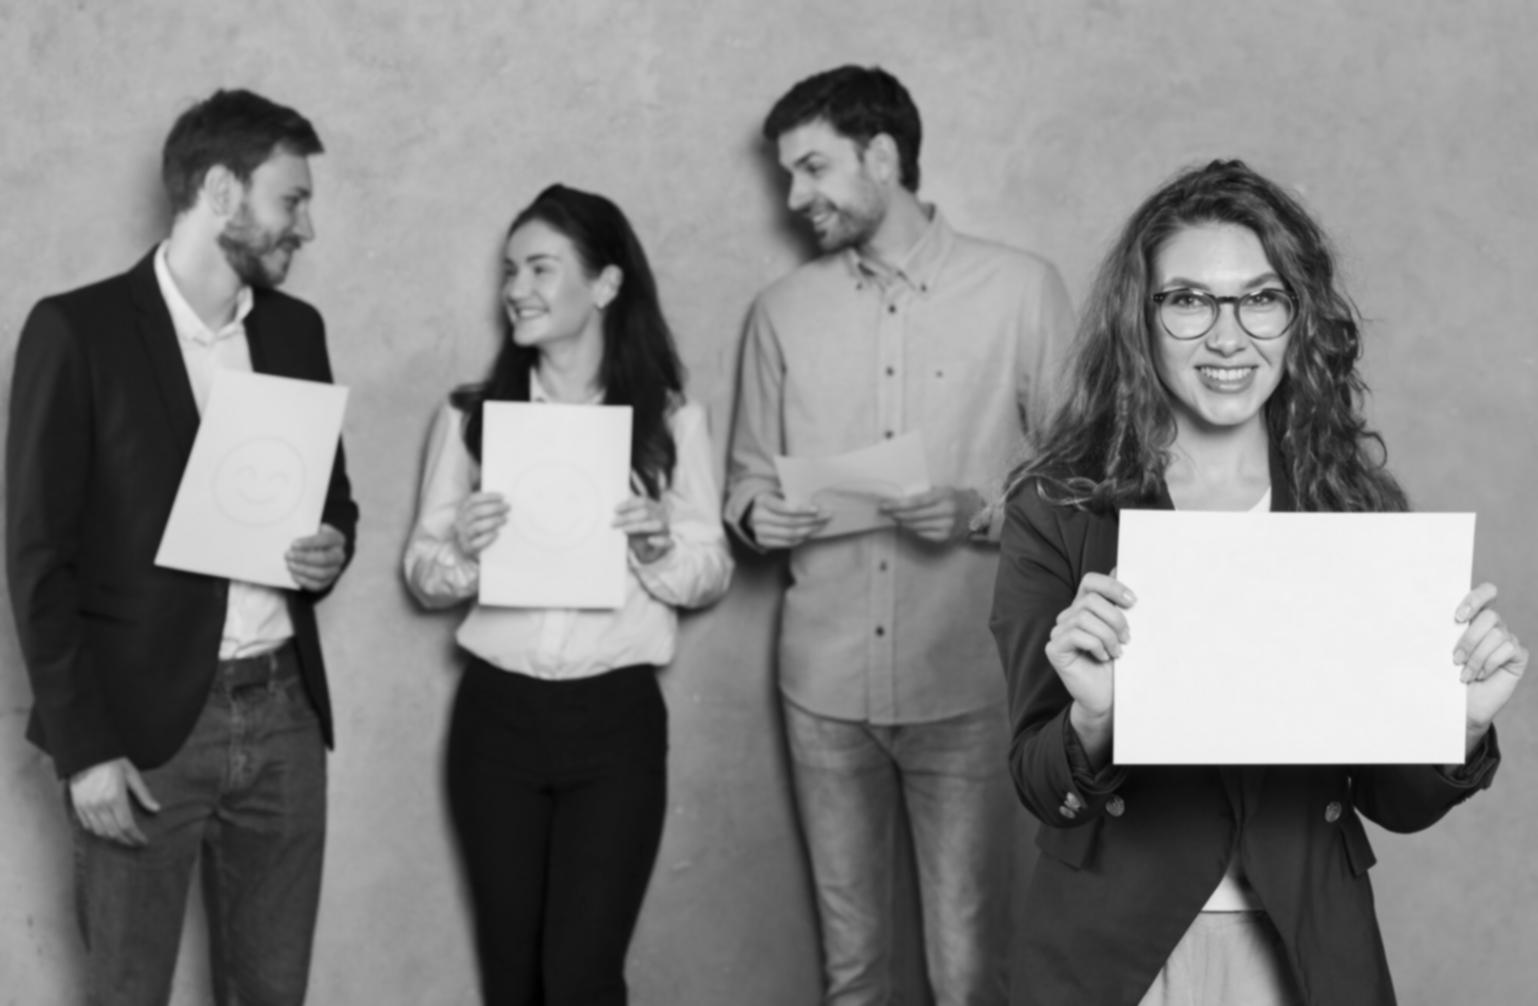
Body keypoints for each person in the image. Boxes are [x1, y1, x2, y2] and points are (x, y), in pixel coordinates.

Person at [989, 159, 1526, 1006]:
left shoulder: (1351, 507)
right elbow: (1038, 784)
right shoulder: (1057, 508)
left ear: (1297, 317)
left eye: (1261, 298)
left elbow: (1395, 800)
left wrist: (1456, 725)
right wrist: (1095, 719)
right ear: (1143, 317)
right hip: (1114, 947)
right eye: (1190, 300)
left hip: (1307, 943)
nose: (1228, 337)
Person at [725, 65, 1074, 1005]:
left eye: (810, 168)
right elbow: (747, 484)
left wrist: (980, 511)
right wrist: (763, 515)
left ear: (883, 156)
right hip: (821, 688)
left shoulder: (1022, 292)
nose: (794, 198)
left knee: (967, 974)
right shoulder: (781, 314)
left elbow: (1089, 486)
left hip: (965, 685)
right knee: (852, 972)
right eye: (786, 176)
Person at [5, 89, 358, 1005]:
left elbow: (336, 504)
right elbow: (39, 560)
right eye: (292, 199)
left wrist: (331, 547)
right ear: (220, 190)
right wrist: (85, 751)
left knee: (272, 994)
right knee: (128, 992)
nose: (306, 226)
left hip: (283, 717)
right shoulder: (76, 330)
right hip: (140, 732)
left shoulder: (295, 330)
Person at [403, 183, 732, 1005]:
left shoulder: (671, 420)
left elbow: (711, 569)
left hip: (614, 725)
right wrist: (466, 555)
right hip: (495, 720)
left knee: (583, 979)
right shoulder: (472, 417)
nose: (516, 288)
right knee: (511, 981)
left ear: (607, 284)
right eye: (511, 270)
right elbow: (421, 570)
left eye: (542, 268)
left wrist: (658, 546)